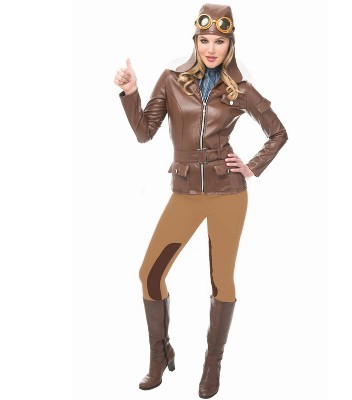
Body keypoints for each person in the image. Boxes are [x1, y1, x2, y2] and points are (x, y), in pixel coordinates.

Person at [114, 3, 288, 398]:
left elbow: (278, 133)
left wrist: (251, 166)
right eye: (205, 39)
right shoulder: (171, 80)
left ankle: (213, 363)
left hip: (228, 195)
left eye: (219, 41)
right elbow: (144, 132)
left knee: (222, 280)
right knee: (150, 274)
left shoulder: (241, 89)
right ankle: (160, 354)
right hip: (186, 193)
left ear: (230, 45)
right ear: (195, 41)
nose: (211, 48)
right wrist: (131, 92)